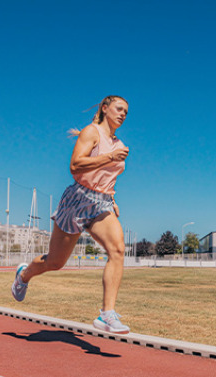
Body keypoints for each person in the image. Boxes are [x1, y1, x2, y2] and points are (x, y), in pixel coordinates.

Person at [11, 95, 131, 334]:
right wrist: (108, 157)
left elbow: (108, 176)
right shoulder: (92, 132)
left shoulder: (119, 144)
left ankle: (107, 314)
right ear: (105, 109)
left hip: (102, 203)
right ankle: (24, 275)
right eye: (119, 109)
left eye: (126, 112)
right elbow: (75, 166)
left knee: (118, 250)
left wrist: (113, 199)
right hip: (78, 199)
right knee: (55, 263)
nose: (123, 114)